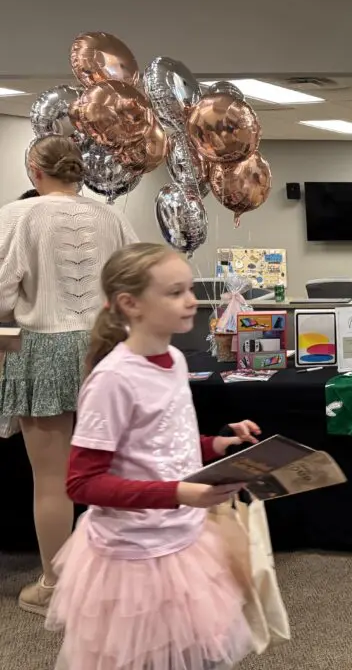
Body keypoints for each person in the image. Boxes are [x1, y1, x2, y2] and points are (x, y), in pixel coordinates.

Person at [45, 243, 260, 669]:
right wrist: (180, 493)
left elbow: (165, 442)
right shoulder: (113, 380)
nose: (192, 300)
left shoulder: (175, 359)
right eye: (175, 292)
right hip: (134, 558)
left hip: (183, 539)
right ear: (131, 304)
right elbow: (83, 483)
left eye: (190, 289)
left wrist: (216, 445)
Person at [0, 135, 137, 614]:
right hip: (109, 348)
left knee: (52, 480)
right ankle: (122, 576)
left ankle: (56, 587)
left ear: (34, 170)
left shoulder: (19, 216)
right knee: (118, 470)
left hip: (43, 347)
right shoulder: (112, 217)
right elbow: (136, 282)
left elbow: (1, 293)